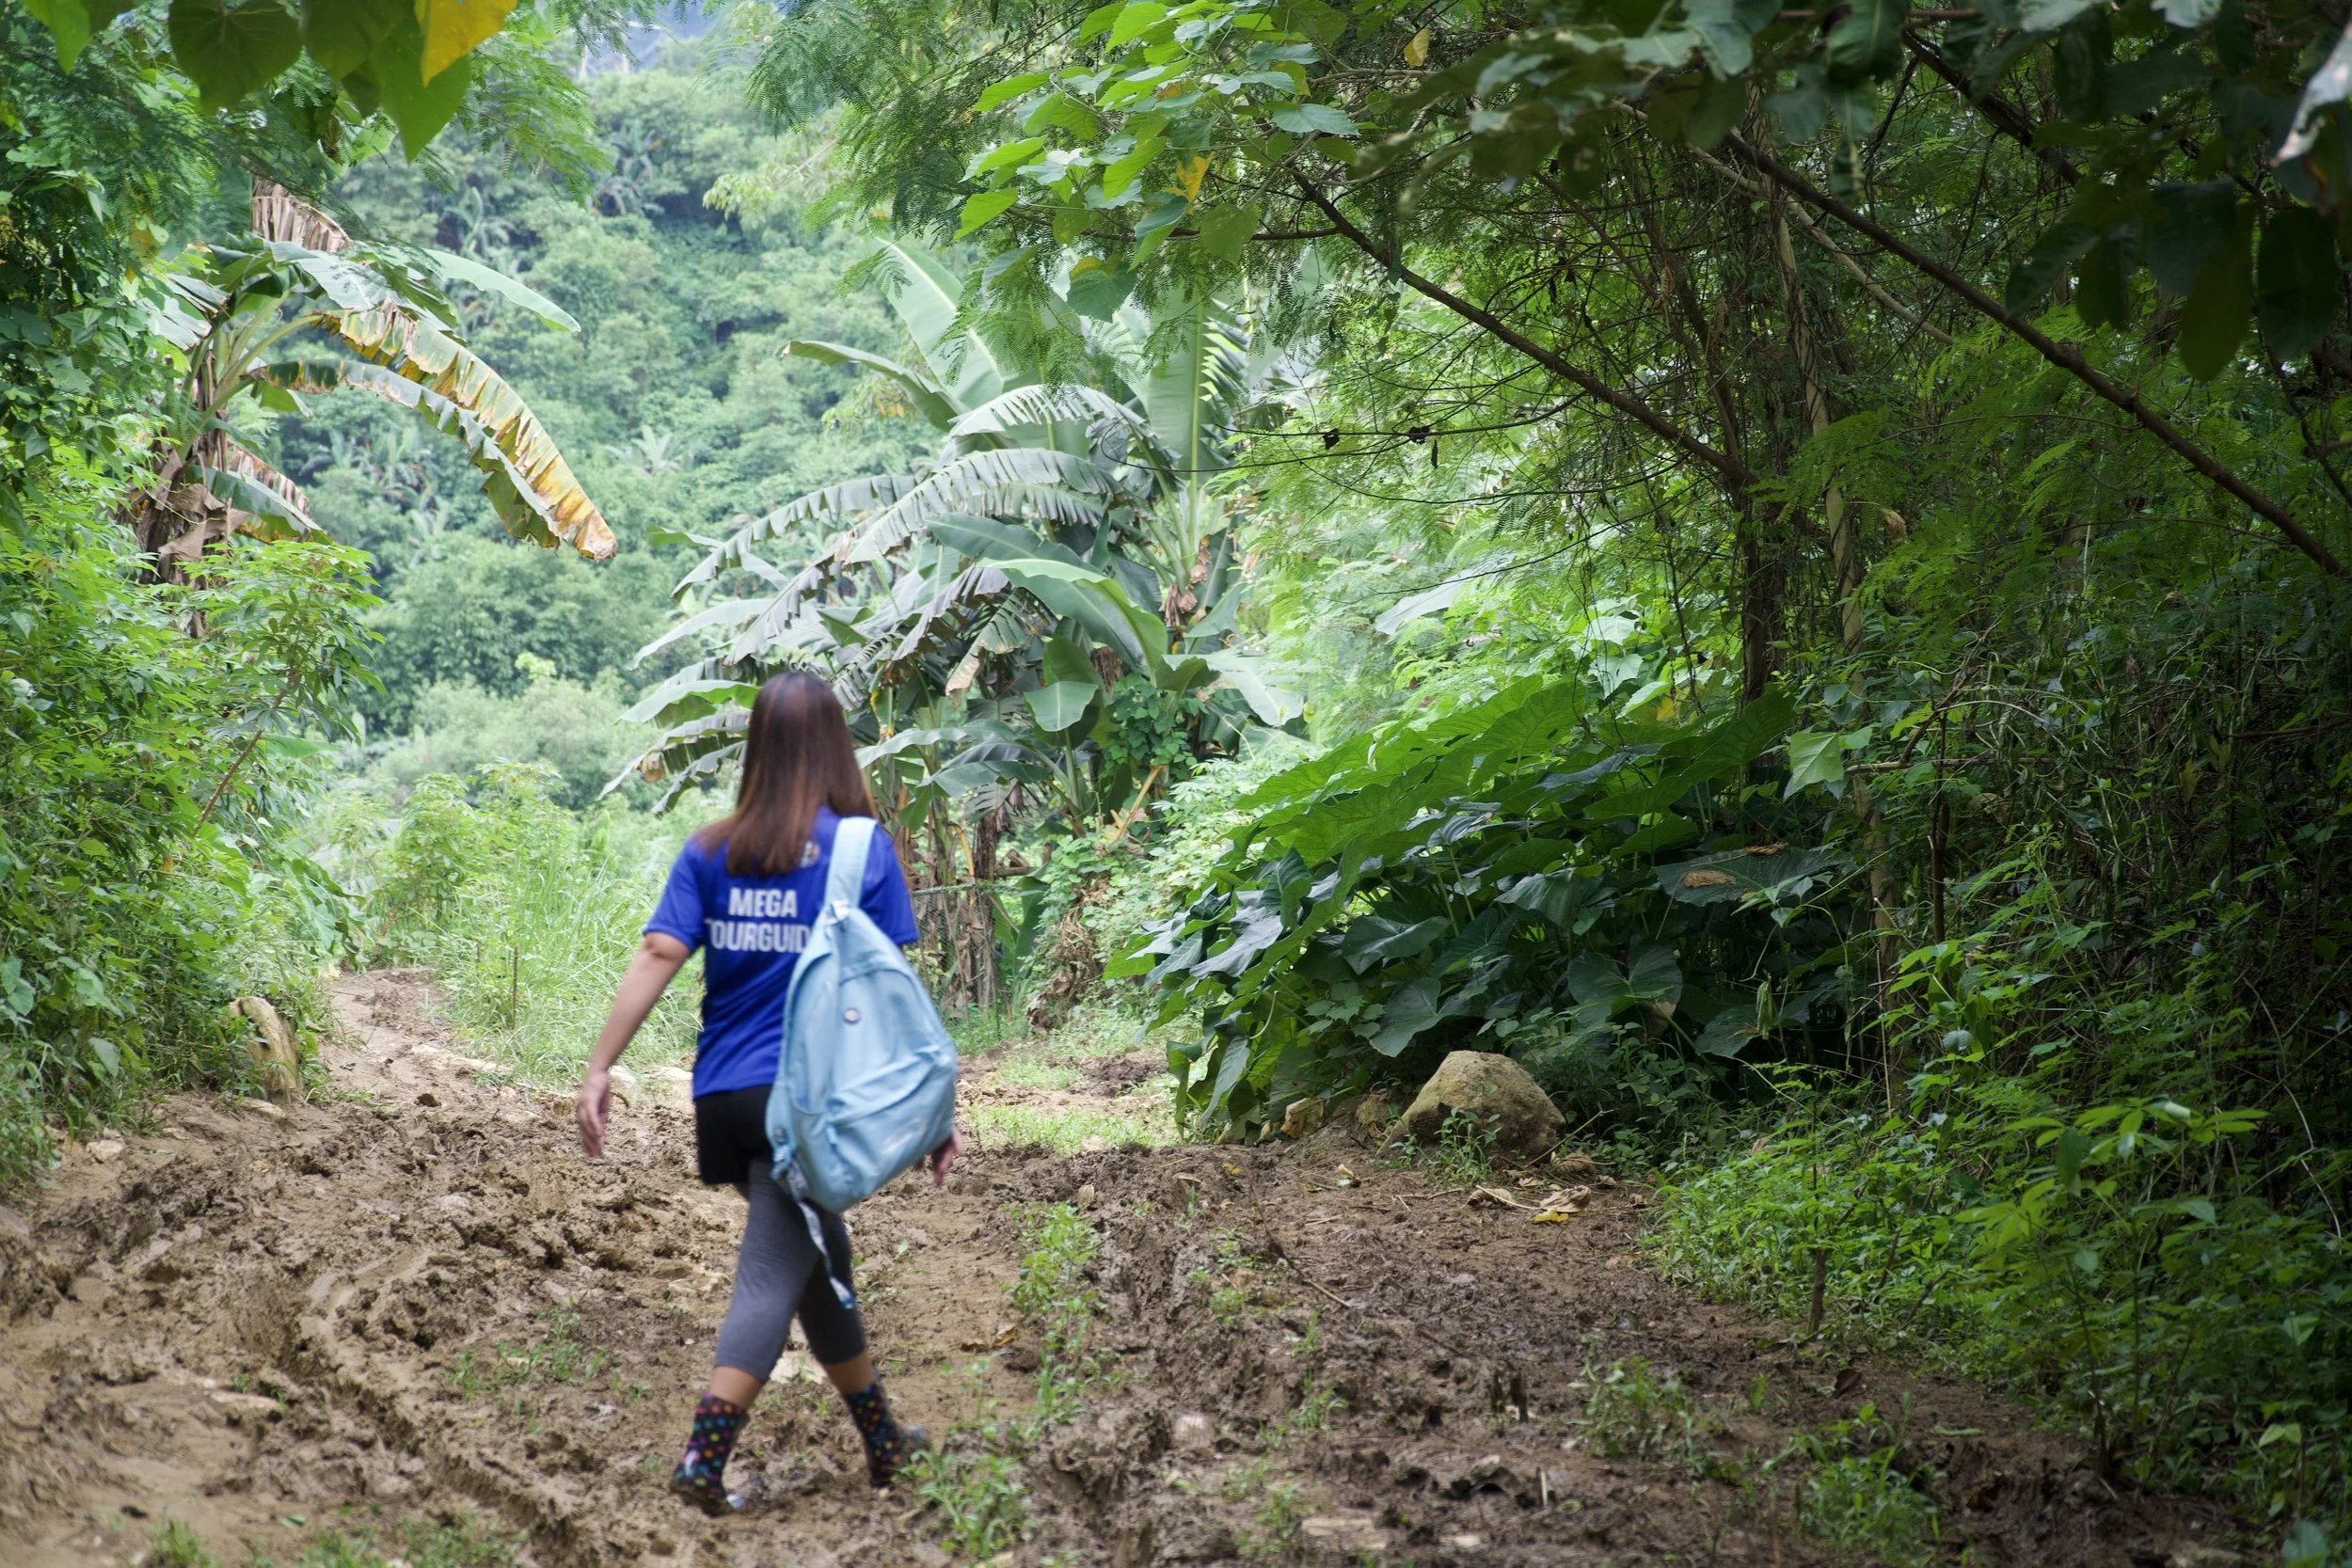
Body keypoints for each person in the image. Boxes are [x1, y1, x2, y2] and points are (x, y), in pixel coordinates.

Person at [574, 671, 960, 1513]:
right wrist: (935, 1110)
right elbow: (892, 991)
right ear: (835, 746)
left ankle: (885, 1441)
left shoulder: (713, 849)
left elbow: (657, 956)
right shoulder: (861, 849)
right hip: (814, 1103)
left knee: (820, 1260)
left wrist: (602, 1064)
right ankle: (701, 1464)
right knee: (770, 1271)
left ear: (756, 749)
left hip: (727, 1094)